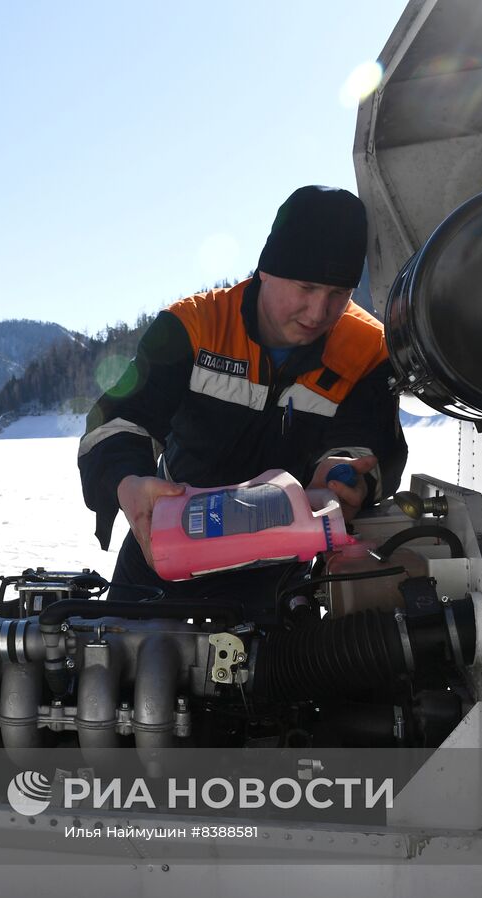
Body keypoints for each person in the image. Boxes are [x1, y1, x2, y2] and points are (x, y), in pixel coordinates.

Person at [78, 185, 406, 603]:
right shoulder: (193, 327)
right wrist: (127, 483)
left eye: (338, 294)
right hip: (165, 553)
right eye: (306, 288)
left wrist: (348, 477)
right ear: (266, 269)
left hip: (282, 572)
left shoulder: (366, 350)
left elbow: (368, 442)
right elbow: (117, 421)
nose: (318, 313)